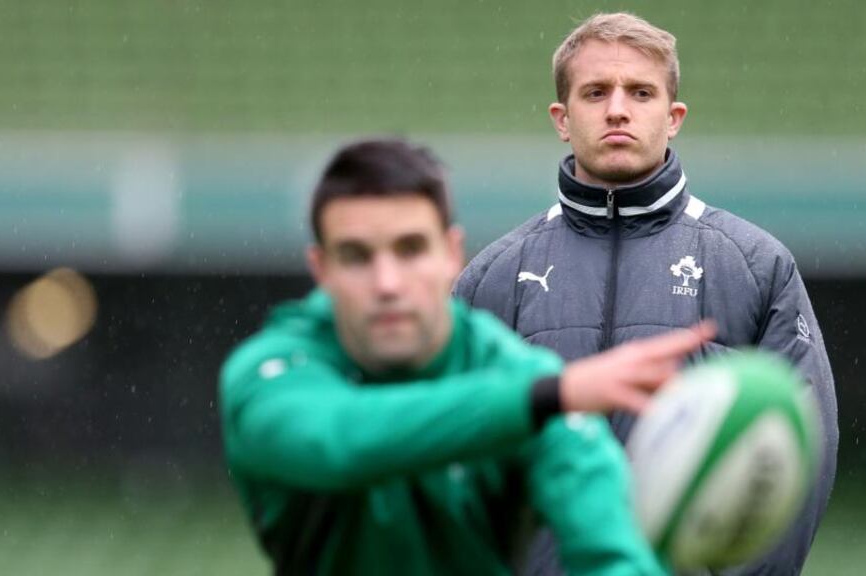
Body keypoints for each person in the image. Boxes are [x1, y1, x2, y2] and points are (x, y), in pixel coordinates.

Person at [454, 12, 839, 576]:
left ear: (673, 116)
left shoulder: (756, 266)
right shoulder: (492, 277)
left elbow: (801, 452)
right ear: (562, 119)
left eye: (640, 92)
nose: (617, 109)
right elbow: (450, 461)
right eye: (595, 92)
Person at [219, 138, 715, 575]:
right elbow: (337, 444)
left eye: (410, 249)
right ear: (321, 268)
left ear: (452, 254)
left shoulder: (523, 378)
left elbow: (610, 552)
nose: (387, 283)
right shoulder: (271, 372)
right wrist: (543, 398)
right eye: (356, 256)